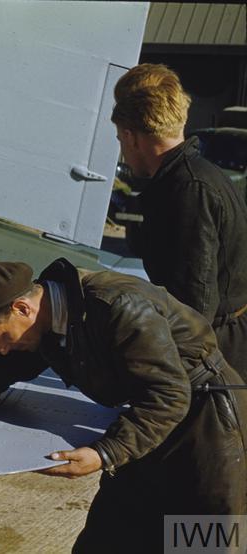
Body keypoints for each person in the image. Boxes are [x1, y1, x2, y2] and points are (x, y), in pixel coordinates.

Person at [0, 258, 247, 553]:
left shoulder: (118, 306)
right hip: (148, 415)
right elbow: (12, 358)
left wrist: (104, 453)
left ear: (22, 308)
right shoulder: (49, 315)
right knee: (112, 533)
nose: (1, 348)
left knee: (205, 537)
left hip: (207, 420)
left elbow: (169, 394)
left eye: (0, 336)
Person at [111, 63, 247, 380]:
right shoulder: (188, 177)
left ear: (131, 137)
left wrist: (174, 380)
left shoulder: (188, 189)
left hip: (217, 354)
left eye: (119, 138)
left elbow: (195, 301)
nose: (121, 148)